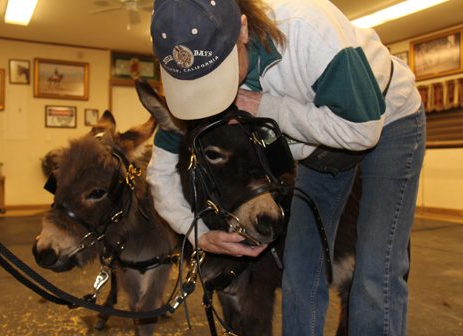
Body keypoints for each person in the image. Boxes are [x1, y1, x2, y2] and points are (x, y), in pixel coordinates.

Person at [147, 0, 426, 335]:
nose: (206, 97)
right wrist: (199, 234)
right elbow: (161, 172)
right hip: (314, 140)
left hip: (385, 117)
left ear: (243, 29)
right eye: (193, 85)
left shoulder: (307, 26)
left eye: (215, 76)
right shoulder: (196, 73)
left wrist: (269, 107)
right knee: (300, 267)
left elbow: (362, 130)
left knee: (375, 269)